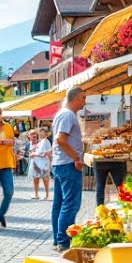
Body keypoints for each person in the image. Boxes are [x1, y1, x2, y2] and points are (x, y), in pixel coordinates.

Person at [51, 87, 87, 251]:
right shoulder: (67, 115)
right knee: (71, 204)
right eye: (83, 98)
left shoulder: (61, 114)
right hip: (67, 164)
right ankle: (64, 242)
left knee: (59, 204)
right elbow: (60, 139)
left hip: (60, 163)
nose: (84, 101)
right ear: (76, 98)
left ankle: (57, 239)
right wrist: (76, 158)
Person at [28, 130, 52, 199]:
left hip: (44, 164)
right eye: (40, 131)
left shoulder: (46, 141)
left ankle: (47, 195)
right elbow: (39, 151)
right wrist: (33, 152)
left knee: (45, 179)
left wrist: (34, 154)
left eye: (42, 131)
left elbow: (45, 153)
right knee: (36, 179)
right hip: (37, 163)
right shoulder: (41, 141)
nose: (40, 133)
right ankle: (36, 194)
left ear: (46, 134)